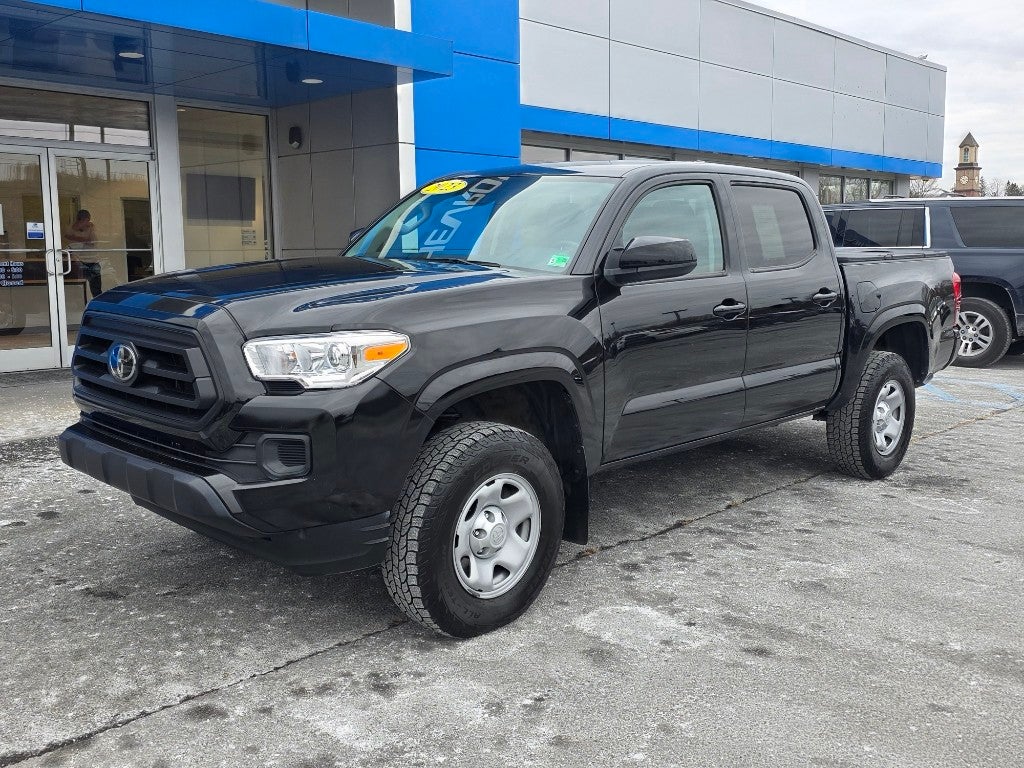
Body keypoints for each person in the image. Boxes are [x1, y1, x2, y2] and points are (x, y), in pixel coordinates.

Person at [65, 209, 102, 298]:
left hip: (94, 260)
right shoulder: (71, 229)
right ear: (81, 220)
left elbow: (92, 242)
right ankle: (80, 305)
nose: (88, 222)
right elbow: (68, 239)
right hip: (80, 261)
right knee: (80, 286)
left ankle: (96, 305)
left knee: (96, 289)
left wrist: (90, 230)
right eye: (86, 220)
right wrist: (84, 239)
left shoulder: (91, 228)